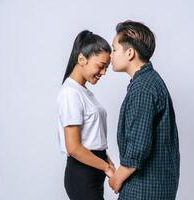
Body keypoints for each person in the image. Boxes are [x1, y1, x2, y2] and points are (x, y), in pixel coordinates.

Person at [108, 20, 180, 200]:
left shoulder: (143, 88)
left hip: (144, 189)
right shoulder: (150, 81)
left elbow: (138, 148)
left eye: (114, 49)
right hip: (156, 186)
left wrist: (117, 178)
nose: (110, 55)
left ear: (130, 53)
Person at [57, 30, 115, 200]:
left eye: (106, 68)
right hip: (82, 174)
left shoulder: (82, 92)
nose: (103, 72)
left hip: (92, 171)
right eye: (101, 65)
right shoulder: (70, 93)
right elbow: (74, 147)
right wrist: (106, 167)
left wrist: (106, 159)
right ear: (82, 59)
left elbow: (91, 136)